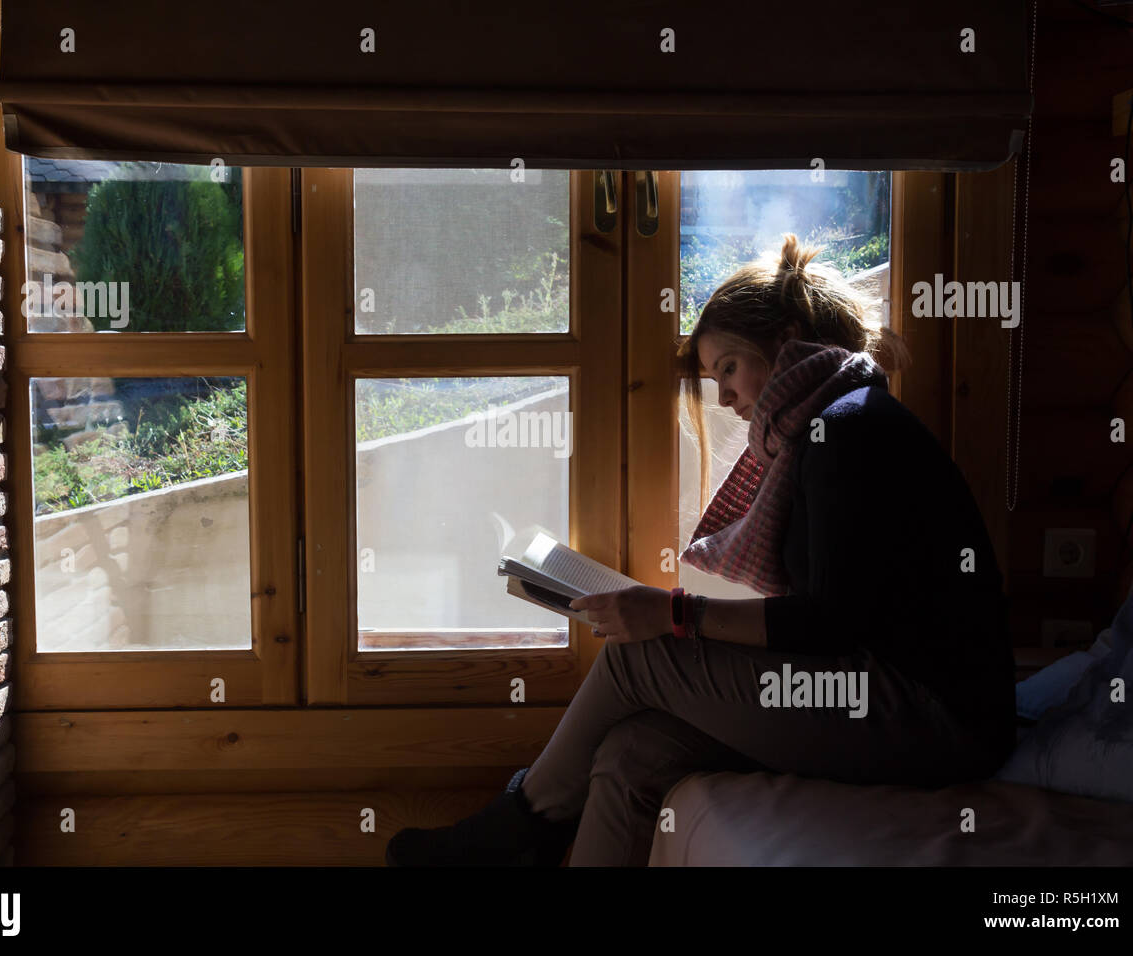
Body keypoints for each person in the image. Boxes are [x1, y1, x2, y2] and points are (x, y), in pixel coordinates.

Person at [385, 233, 1017, 867]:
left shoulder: (846, 429)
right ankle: (531, 830)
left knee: (641, 660)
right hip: (872, 692)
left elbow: (829, 623)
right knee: (634, 753)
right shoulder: (820, 430)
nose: (724, 399)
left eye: (728, 369)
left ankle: (517, 829)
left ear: (787, 337)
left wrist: (676, 615)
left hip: (931, 717)